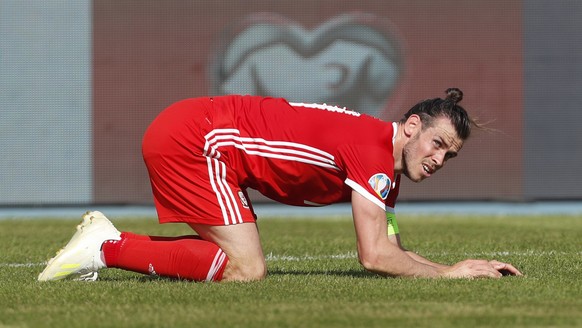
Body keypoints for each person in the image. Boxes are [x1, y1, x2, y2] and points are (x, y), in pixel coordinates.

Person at [38, 88, 522, 282]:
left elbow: (392, 246)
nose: (438, 159)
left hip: (199, 136)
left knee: (241, 264)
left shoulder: (383, 173)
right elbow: (373, 256)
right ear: (412, 126)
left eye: (449, 155)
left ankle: (107, 243)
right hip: (197, 140)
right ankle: (106, 246)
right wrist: (448, 276)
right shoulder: (374, 158)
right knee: (246, 270)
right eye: (436, 143)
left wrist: (458, 267)